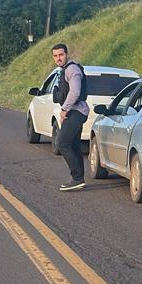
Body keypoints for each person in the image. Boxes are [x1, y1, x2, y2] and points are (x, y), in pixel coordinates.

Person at [51, 43, 89, 191]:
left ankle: (77, 178)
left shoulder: (72, 69)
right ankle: (79, 179)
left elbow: (75, 92)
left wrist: (64, 110)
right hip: (76, 111)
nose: (58, 58)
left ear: (66, 54)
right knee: (73, 144)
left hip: (76, 111)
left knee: (62, 143)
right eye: (55, 56)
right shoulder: (65, 69)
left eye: (61, 55)